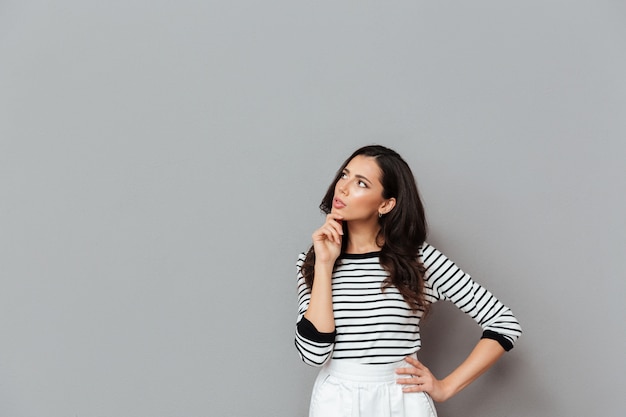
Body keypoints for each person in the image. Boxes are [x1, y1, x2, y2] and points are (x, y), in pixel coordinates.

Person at [294, 145, 522, 417]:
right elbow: (312, 354)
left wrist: (446, 387)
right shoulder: (312, 261)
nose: (342, 188)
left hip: (401, 401)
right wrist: (324, 263)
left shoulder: (419, 260)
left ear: (386, 204)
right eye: (344, 175)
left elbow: (503, 322)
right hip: (336, 401)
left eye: (361, 183)